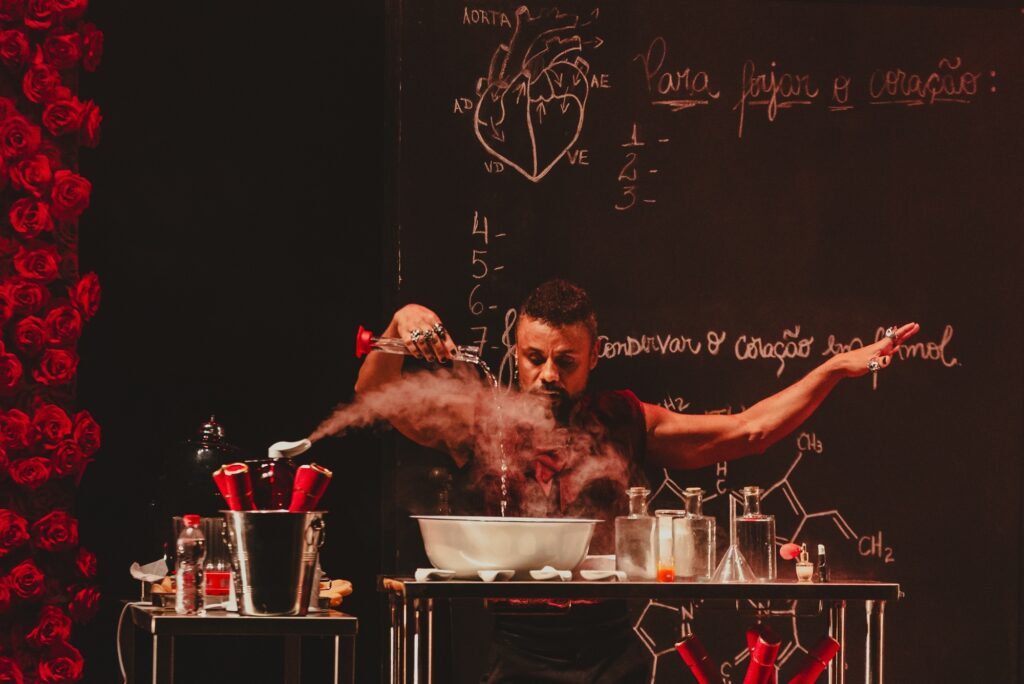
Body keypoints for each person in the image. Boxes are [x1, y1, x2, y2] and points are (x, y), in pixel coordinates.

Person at [355, 279, 919, 683]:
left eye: (566, 360)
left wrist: (831, 371)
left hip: (611, 650)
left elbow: (750, 431)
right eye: (534, 358)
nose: (548, 373)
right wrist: (399, 321)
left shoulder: (623, 418)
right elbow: (372, 399)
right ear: (515, 352)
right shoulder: (479, 419)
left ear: (594, 355)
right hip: (517, 653)